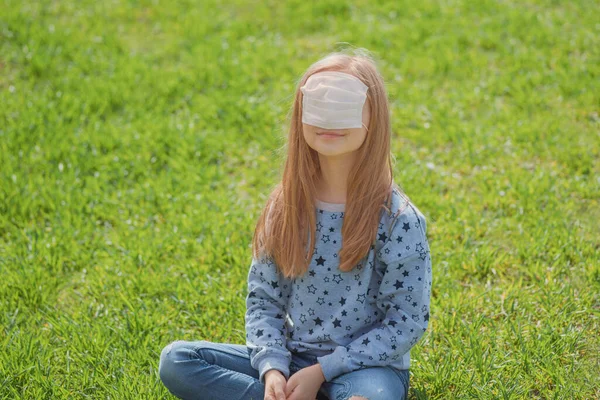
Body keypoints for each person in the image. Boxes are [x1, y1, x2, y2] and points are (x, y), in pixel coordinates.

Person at [158, 48, 433, 400]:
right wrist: (272, 368)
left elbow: (406, 322)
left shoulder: (399, 220)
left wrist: (323, 372)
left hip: (367, 370)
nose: (329, 117)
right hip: (294, 358)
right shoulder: (285, 205)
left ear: (373, 117)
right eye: (319, 101)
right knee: (178, 360)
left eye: (345, 103)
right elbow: (264, 300)